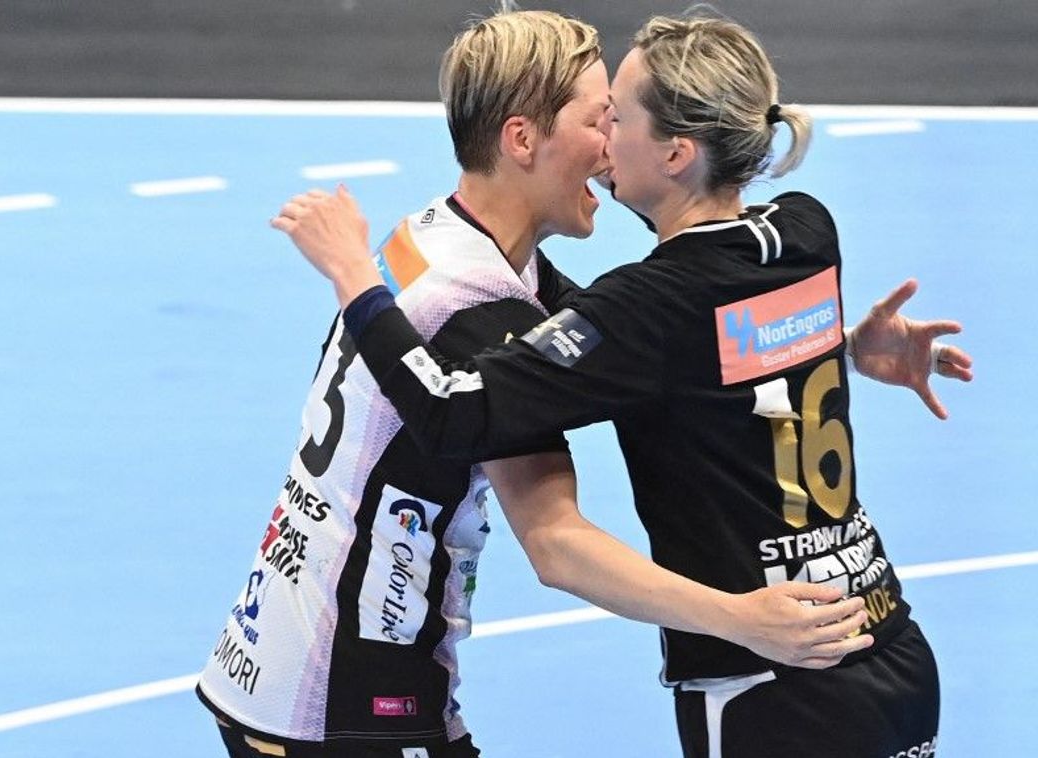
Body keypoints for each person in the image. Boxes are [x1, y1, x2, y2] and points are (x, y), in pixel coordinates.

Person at [202, 9, 966, 758]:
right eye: (598, 119)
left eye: (617, 120)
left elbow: (675, 348)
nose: (607, 146)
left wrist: (825, 347)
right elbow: (554, 540)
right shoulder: (491, 308)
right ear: (522, 139)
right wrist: (348, 276)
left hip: (336, 664)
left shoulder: (443, 243)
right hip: (336, 695)